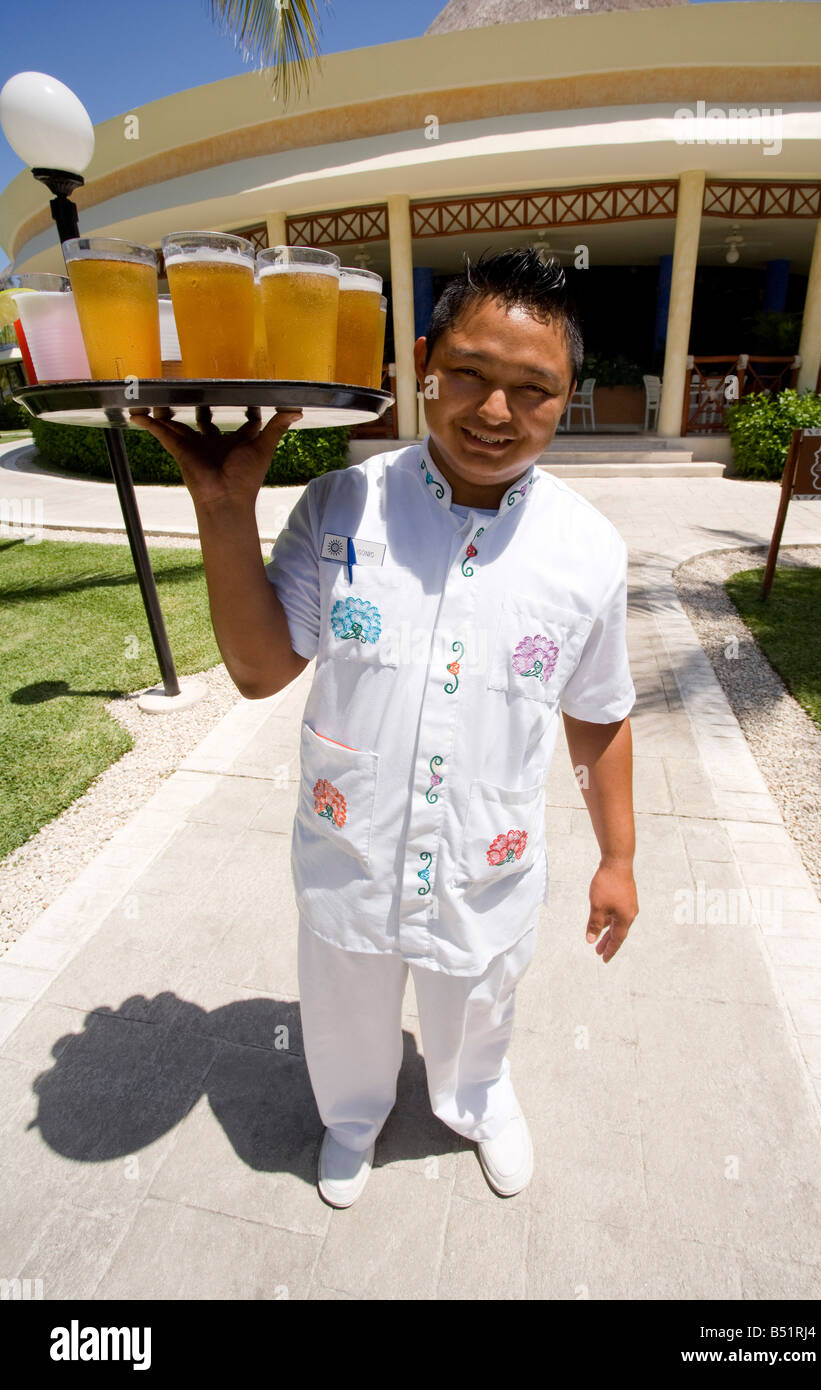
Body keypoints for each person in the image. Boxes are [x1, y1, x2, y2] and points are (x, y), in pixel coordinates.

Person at [131, 248, 638, 1209]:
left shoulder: (588, 551)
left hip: (488, 852)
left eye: (533, 389)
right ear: (422, 363)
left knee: (478, 997)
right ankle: (353, 1113)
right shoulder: (343, 507)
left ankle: (476, 1098)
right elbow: (259, 671)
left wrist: (619, 854)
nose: (495, 412)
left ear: (568, 395)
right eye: (473, 374)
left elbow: (599, 713)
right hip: (351, 840)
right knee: (343, 998)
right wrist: (222, 506)